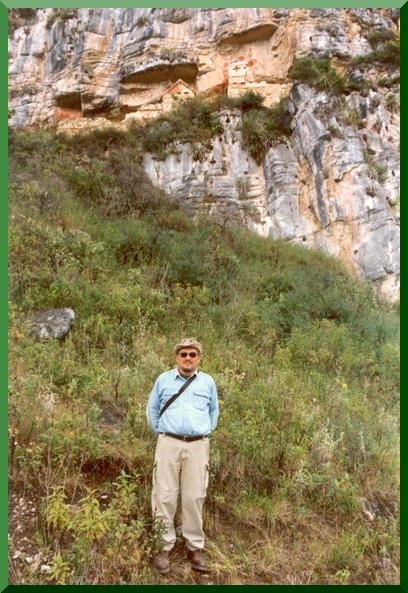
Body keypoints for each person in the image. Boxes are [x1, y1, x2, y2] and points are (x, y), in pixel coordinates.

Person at [147, 337, 219, 575]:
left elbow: (213, 411)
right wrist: (163, 432)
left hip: (197, 447)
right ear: (176, 357)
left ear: (199, 358)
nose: (188, 358)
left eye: (192, 354)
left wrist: (202, 432)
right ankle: (163, 548)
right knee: (164, 495)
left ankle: (195, 547)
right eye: (184, 354)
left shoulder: (208, 382)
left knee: (194, 496)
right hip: (168, 444)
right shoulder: (163, 380)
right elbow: (153, 409)